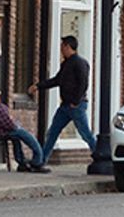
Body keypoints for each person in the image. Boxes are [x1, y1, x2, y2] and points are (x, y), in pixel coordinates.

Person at [28, 35, 96, 173]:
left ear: (68, 47)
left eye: (62, 46)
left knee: (85, 133)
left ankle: (99, 156)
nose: (61, 50)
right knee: (53, 132)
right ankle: (41, 161)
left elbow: (83, 84)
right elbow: (57, 80)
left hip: (76, 106)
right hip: (65, 106)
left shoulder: (80, 63)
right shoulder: (66, 64)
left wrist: (75, 101)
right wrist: (39, 86)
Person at [0, 83, 44, 172]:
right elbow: (7, 124)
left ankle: (21, 162)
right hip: (1, 131)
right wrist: (15, 126)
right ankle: (37, 161)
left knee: (17, 137)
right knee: (26, 135)